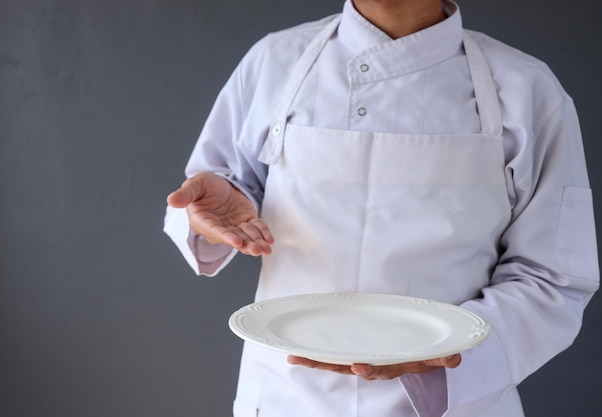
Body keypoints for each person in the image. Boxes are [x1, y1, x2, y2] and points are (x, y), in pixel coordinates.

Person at [164, 0, 599, 415]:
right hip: (284, 395)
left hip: (452, 401)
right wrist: (210, 212)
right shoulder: (273, 61)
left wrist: (447, 358)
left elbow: (553, 277)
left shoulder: (528, 90)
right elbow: (220, 191)